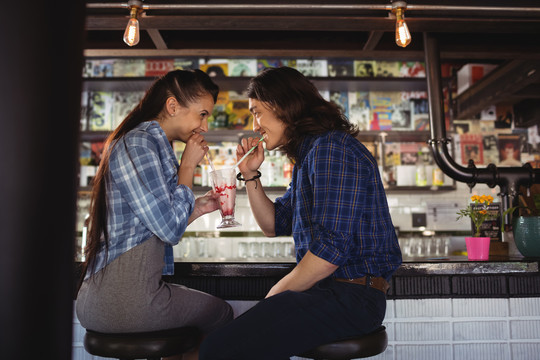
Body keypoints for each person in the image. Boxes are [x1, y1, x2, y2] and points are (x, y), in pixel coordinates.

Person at [199, 67, 402, 360]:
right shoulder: (310, 156)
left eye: (257, 112)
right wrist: (251, 175)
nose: (255, 125)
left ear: (283, 105)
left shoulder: (332, 150)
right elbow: (273, 224)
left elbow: (330, 250)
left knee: (218, 349)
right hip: (330, 294)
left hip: (352, 298)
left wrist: (273, 297)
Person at [75, 70, 233, 359]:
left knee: (186, 328)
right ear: (173, 106)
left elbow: (153, 224)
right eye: (202, 114)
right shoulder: (140, 143)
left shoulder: (148, 144)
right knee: (221, 313)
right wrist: (188, 167)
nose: (205, 126)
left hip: (109, 297)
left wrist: (196, 209)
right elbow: (169, 230)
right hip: (125, 298)